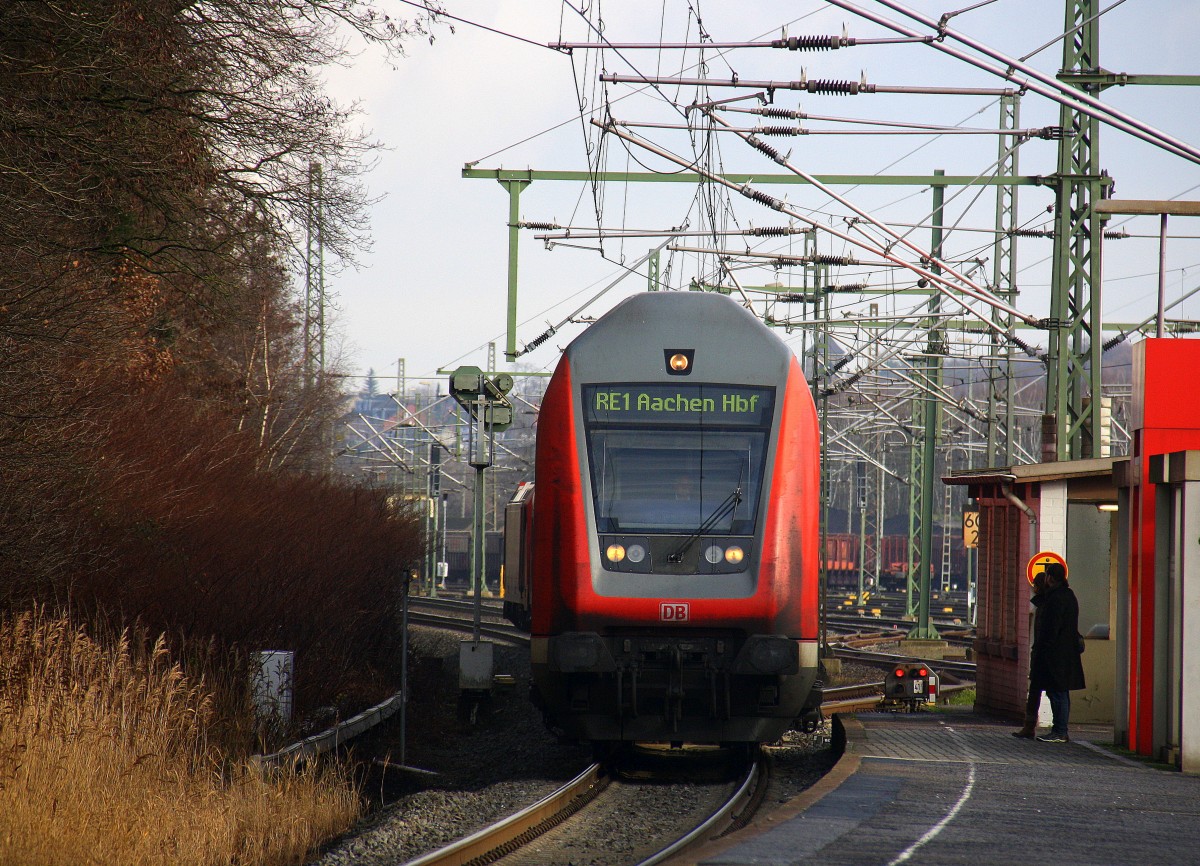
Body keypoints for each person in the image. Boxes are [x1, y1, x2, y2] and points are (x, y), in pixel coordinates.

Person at [1029, 561, 1086, 743]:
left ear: (1050, 578)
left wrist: (1044, 649)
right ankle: (1060, 730)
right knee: (1061, 692)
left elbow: (1051, 628)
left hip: (1055, 654)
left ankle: (1060, 731)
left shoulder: (1055, 599)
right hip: (1065, 653)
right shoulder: (1069, 596)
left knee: (1056, 692)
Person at [1011, 572, 1048, 739]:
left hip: (1044, 654)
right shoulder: (1039, 605)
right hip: (1039, 652)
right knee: (1035, 691)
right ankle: (1029, 725)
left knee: (1053, 693)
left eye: (1035, 585)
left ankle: (1059, 729)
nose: (1032, 588)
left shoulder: (1045, 606)